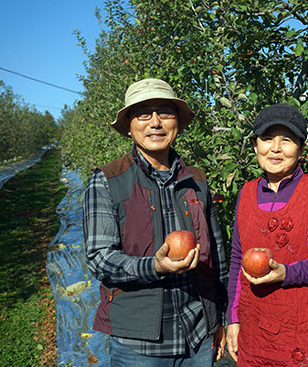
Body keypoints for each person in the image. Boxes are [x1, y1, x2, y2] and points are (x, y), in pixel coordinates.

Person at [83, 78, 228, 366]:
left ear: (177, 123)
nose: (155, 122)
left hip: (197, 337)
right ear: (128, 126)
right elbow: (99, 258)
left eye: (165, 112)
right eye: (143, 113)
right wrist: (154, 266)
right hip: (138, 345)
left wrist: (219, 318)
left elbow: (218, 256)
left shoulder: (196, 180)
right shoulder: (107, 181)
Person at [226, 104, 308, 366]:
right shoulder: (247, 194)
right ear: (255, 145)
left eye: (286, 140)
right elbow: (238, 260)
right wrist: (233, 318)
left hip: (305, 333)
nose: (275, 148)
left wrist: (287, 273)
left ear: (301, 149)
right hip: (257, 331)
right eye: (267, 138)